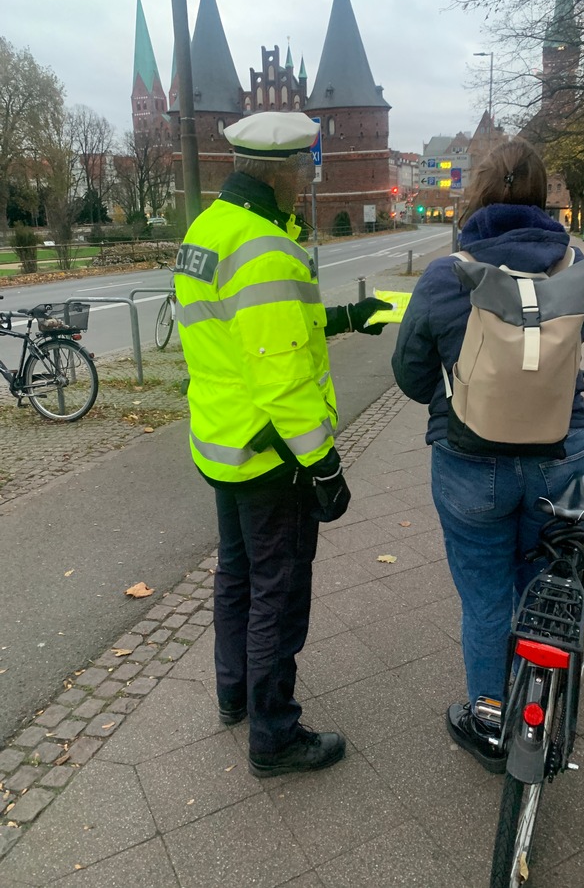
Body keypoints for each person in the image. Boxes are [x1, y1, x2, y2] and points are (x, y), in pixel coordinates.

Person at [174, 110, 390, 778]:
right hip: (272, 458)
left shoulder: (209, 231)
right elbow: (282, 374)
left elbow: (260, 328)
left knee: (236, 575)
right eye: (306, 169)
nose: (308, 182)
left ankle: (233, 692)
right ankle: (274, 732)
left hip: (221, 445)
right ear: (286, 171)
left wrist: (348, 316)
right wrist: (323, 464)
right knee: (278, 590)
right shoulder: (265, 247)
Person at [391, 137, 584, 773]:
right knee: (547, 579)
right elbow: (583, 328)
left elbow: (407, 374)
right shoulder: (575, 264)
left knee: (484, 594)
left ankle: (489, 719)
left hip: (469, 463)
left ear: (476, 196)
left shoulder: (444, 275)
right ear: (542, 198)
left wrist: (462, 387)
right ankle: (550, 689)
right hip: (562, 454)